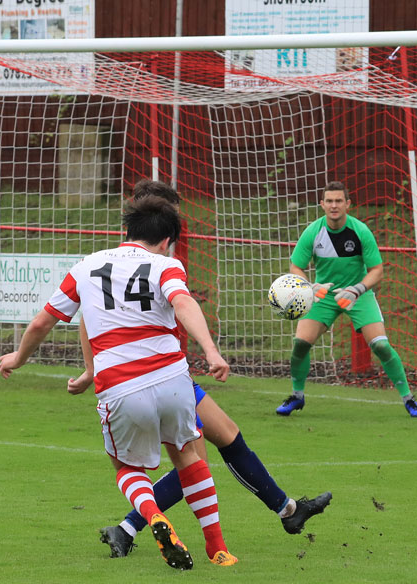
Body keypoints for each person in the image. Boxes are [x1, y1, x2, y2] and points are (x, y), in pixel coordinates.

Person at [67, 179, 331, 558]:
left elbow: (87, 320)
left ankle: (288, 511)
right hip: (155, 377)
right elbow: (95, 320)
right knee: (198, 460)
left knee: (227, 435)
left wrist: (93, 368)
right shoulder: (154, 261)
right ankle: (143, 531)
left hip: (167, 373)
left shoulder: (133, 262)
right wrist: (210, 350)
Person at [0, 194, 237, 569]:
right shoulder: (166, 265)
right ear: (166, 241)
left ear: (126, 231)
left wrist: (18, 357)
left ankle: (154, 517)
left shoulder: (86, 267)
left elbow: (44, 321)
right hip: (172, 377)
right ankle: (218, 549)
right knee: (188, 454)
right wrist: (211, 351)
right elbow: (184, 303)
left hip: (121, 384)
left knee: (126, 468)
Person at [275, 181, 417, 418]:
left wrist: (357, 289)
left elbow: (377, 270)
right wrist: (310, 286)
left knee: (381, 345)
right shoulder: (313, 232)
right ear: (322, 204)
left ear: (348, 204)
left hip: (358, 295)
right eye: (329, 201)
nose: (334, 206)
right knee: (300, 344)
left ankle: (409, 399)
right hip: (324, 296)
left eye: (338, 201)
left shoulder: (361, 231)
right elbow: (296, 266)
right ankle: (297, 396)